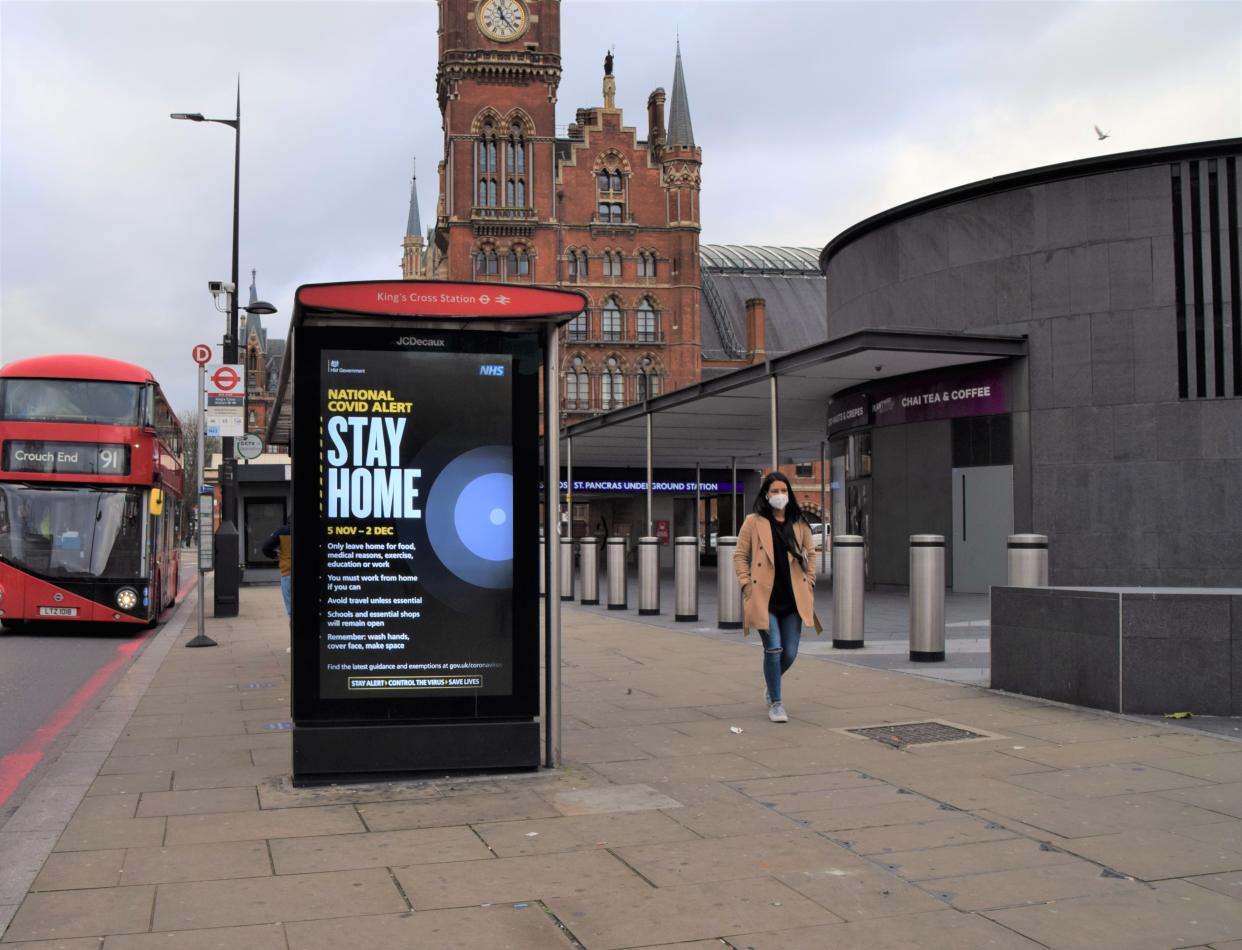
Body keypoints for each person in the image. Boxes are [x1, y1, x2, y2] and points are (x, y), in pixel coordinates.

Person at [734, 472, 821, 723]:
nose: (779, 495)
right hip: (764, 597)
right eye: (774, 491)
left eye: (783, 490)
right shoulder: (753, 522)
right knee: (773, 649)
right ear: (766, 494)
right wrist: (745, 585)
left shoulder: (799, 521)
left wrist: (811, 581)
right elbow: (740, 555)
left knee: (790, 653)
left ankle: (772, 686)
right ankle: (777, 702)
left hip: (794, 599)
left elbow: (811, 553)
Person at [262, 521, 291, 617]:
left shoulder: (282, 531)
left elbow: (266, 548)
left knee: (291, 611)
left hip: (287, 573)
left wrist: (275, 555)